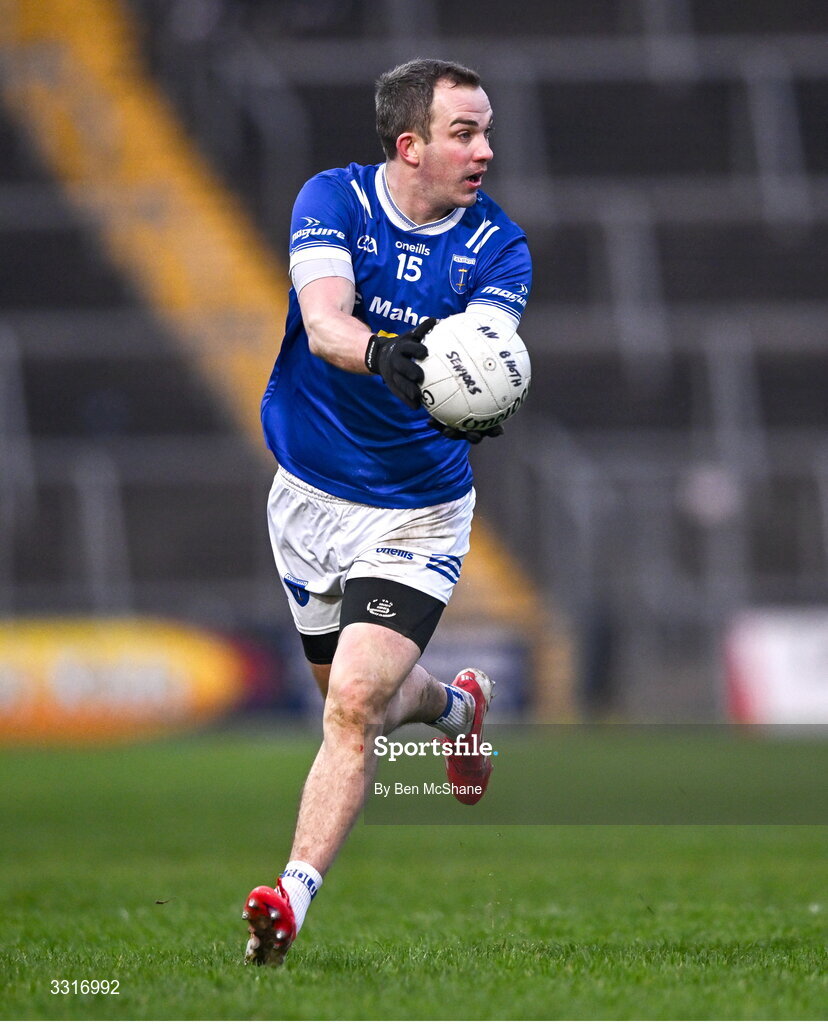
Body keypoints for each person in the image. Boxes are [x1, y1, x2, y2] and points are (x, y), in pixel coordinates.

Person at [243, 58, 532, 966]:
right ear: (409, 145)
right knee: (356, 703)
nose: (485, 149)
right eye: (464, 132)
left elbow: (488, 355)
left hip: (417, 511)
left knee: (354, 710)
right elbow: (324, 321)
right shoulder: (333, 200)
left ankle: (288, 901)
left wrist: (475, 395)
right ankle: (456, 709)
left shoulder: (498, 248)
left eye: (485, 131)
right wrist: (387, 355)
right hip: (308, 500)